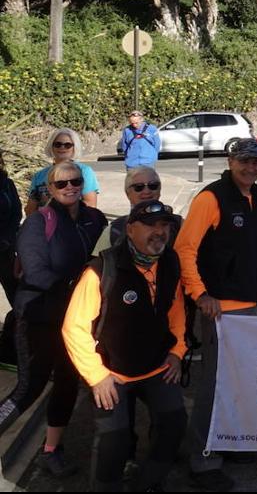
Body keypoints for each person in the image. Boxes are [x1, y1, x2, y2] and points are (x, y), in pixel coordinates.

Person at [62, 200, 186, 491]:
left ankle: (149, 482)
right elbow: (74, 327)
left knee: (174, 424)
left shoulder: (170, 261)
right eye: (150, 226)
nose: (159, 232)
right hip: (111, 372)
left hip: (157, 366)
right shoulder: (101, 269)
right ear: (130, 230)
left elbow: (176, 311)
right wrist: (97, 376)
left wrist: (177, 352)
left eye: (164, 225)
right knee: (112, 443)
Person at [0, 161, 106, 477]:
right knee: (28, 388)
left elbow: (105, 259)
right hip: (38, 320)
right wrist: (79, 288)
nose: (70, 187)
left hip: (75, 323)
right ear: (49, 188)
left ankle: (50, 450)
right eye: (61, 183)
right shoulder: (37, 224)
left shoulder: (95, 220)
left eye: (75, 181)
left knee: (67, 383)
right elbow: (35, 272)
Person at [176, 138, 257, 489]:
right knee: (214, 387)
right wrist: (200, 294)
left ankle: (229, 444)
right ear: (231, 161)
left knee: (239, 384)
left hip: (250, 304)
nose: (250, 168)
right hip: (221, 310)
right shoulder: (211, 197)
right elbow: (185, 248)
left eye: (256, 163)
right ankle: (202, 458)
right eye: (244, 161)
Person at [26, 128, 101, 214]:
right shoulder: (39, 176)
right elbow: (30, 210)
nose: (62, 148)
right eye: (58, 144)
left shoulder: (84, 171)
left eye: (67, 145)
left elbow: (91, 205)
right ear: (51, 146)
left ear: (74, 147)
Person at [108, 165, 182, 249]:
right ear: (128, 193)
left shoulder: (179, 225)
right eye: (138, 187)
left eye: (153, 185)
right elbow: (102, 260)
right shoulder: (115, 229)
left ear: (159, 190)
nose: (147, 191)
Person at [0, 152, 22, 368]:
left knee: (18, 299)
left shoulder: (7, 184)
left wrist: (7, 240)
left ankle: (9, 350)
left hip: (4, 251)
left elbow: (17, 214)